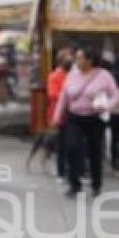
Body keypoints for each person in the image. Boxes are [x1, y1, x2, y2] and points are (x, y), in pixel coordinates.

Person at [53, 46, 119, 197]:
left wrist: (106, 106)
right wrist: (57, 115)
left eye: (80, 57)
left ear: (90, 60)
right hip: (74, 117)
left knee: (94, 151)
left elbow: (115, 95)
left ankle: (96, 184)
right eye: (76, 57)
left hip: (95, 119)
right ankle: (75, 184)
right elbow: (64, 95)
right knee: (71, 147)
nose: (76, 60)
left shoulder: (104, 75)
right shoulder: (73, 74)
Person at [47, 48, 72, 179]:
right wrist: (67, 97)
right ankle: (61, 172)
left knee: (72, 144)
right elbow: (52, 94)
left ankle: (71, 171)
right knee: (61, 145)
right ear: (61, 61)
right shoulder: (54, 76)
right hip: (58, 115)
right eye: (67, 58)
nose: (70, 60)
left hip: (73, 114)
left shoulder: (73, 75)